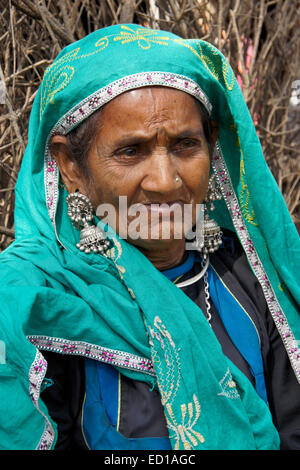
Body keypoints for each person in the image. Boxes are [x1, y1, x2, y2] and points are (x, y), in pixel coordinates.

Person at [0, 23, 299, 451]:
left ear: (211, 146)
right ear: (70, 166)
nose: (164, 181)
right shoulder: (35, 300)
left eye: (184, 145)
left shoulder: (249, 276)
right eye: (131, 151)